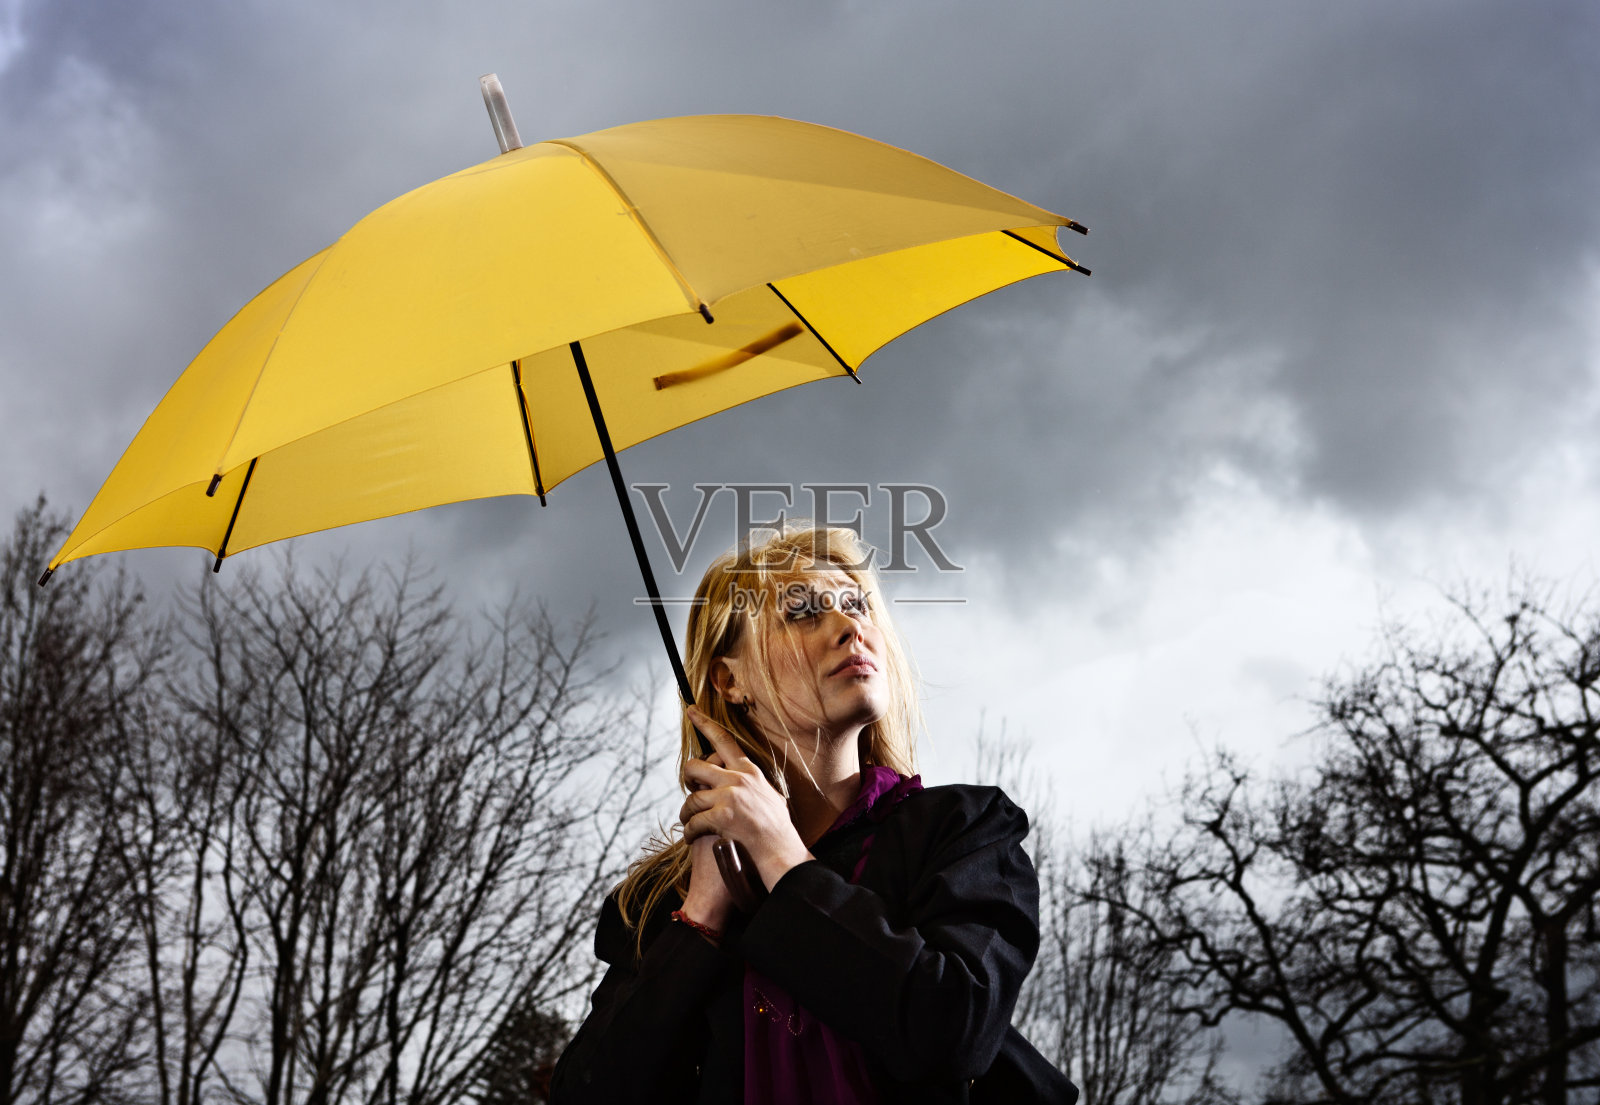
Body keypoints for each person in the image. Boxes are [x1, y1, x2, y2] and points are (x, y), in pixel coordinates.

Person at [550, 526, 1074, 1105]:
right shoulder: (658, 900)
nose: (851, 627)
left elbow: (952, 1032)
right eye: (801, 613)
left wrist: (783, 856)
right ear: (731, 679)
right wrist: (698, 921)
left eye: (856, 605)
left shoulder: (964, 830)